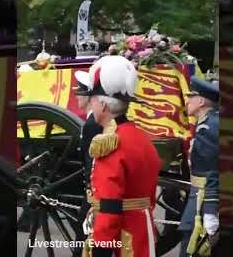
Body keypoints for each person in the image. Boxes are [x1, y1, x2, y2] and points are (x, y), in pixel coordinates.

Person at [81, 55, 162, 257]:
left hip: (121, 241)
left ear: (104, 105)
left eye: (92, 99)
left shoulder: (109, 143)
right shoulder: (140, 137)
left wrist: (101, 250)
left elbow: (108, 207)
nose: (91, 105)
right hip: (142, 232)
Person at [179, 76, 220, 257]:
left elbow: (214, 169)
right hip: (199, 198)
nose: (187, 101)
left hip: (202, 202)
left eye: (191, 97)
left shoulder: (208, 128)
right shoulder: (208, 124)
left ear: (201, 101)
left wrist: (210, 210)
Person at [73, 71, 103, 244]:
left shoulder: (92, 124)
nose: (76, 96)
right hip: (94, 189)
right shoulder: (92, 121)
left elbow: (92, 161)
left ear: (89, 97)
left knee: (82, 240)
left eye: (79, 92)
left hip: (94, 191)